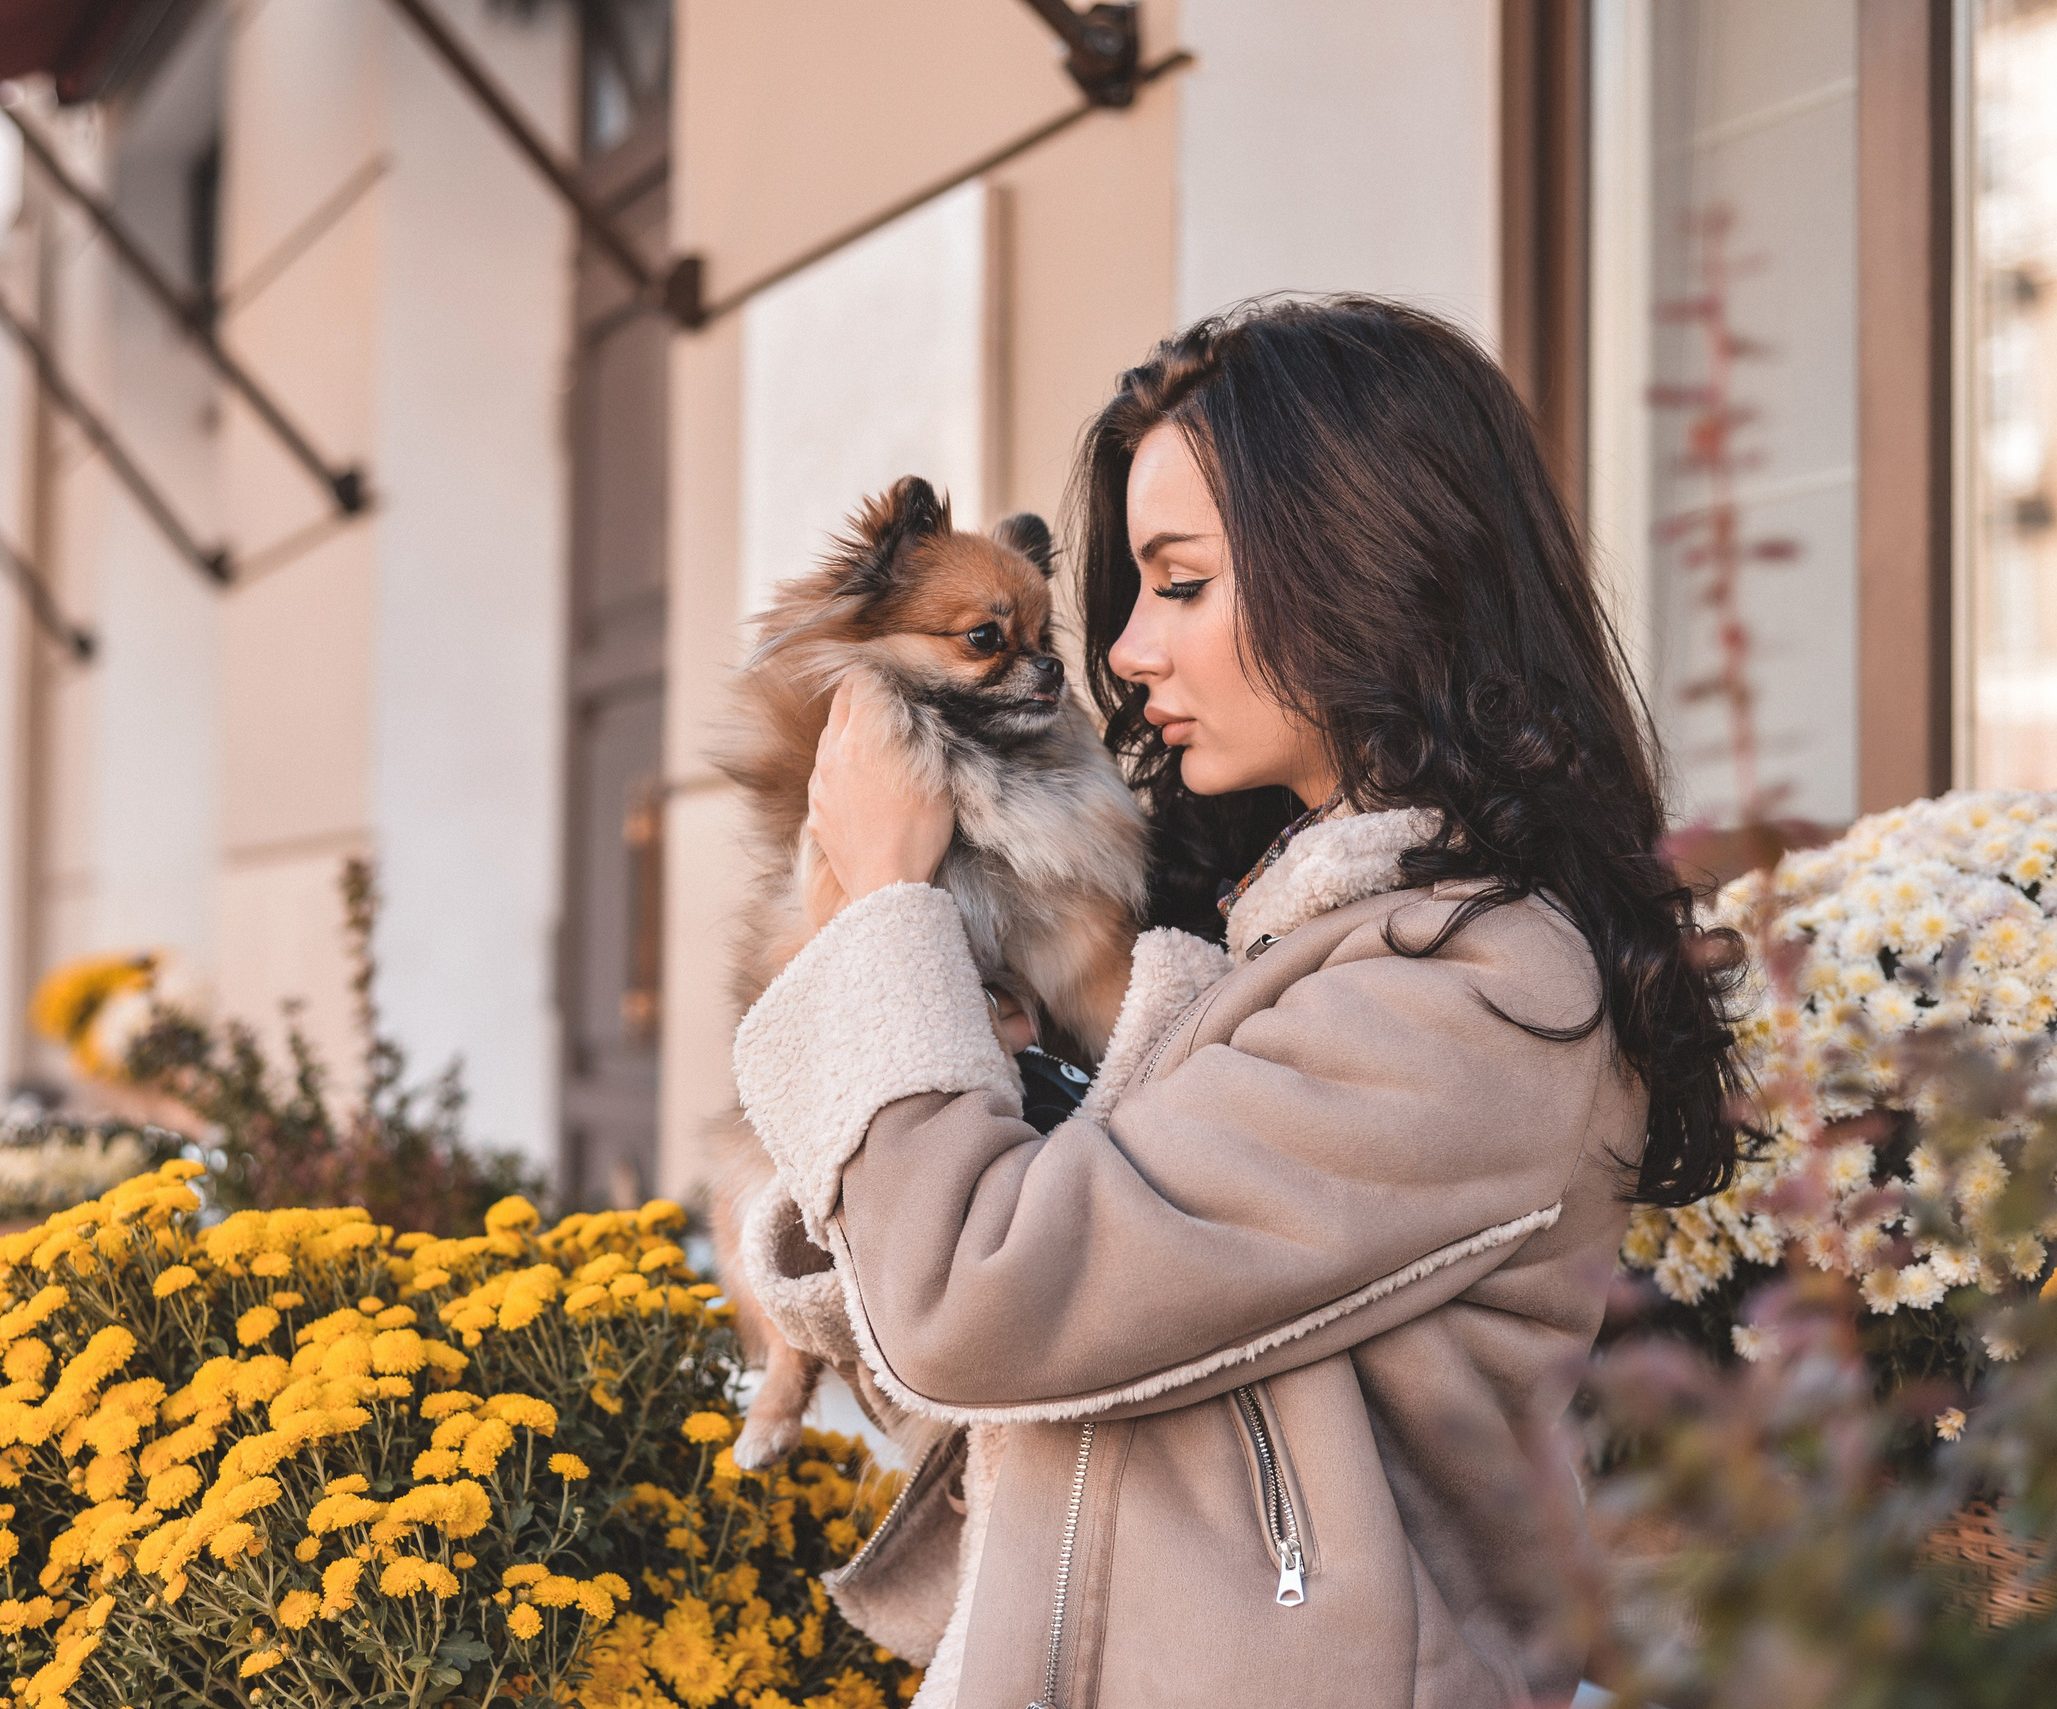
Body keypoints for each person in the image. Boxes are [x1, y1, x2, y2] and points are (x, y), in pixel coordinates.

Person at [730, 297, 1740, 1709]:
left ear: (1365, 572)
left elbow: (975, 1308)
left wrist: (887, 904)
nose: (1127, 652)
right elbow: (971, 1386)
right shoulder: (1250, 937)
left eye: (1182, 585)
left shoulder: (1481, 993)